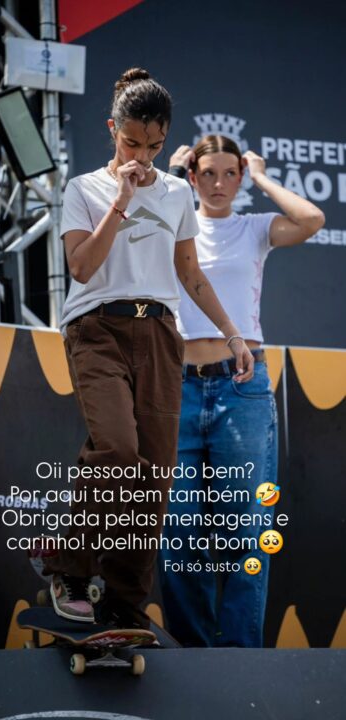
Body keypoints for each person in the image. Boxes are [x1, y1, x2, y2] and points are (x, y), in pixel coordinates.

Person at [42, 72, 255, 630]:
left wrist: (233, 334)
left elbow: (190, 273)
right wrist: (122, 199)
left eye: (154, 146)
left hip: (160, 334)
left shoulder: (178, 193)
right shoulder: (83, 189)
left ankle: (123, 602)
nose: (141, 155)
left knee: (155, 479)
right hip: (96, 330)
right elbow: (81, 267)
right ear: (112, 129)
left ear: (165, 138)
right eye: (132, 142)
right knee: (117, 449)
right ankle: (69, 571)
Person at [160, 135, 325, 647]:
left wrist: (261, 177)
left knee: (245, 530)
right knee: (176, 534)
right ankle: (194, 658)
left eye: (229, 173)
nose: (218, 183)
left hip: (242, 389)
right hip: (178, 388)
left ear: (239, 178)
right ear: (193, 176)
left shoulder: (254, 228)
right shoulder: (173, 223)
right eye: (207, 173)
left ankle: (238, 663)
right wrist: (170, 176)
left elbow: (312, 219)